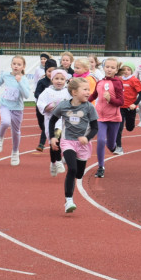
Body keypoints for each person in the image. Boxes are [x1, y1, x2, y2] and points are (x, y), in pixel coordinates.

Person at [49, 78, 98, 213]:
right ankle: (69, 200)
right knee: (72, 169)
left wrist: (87, 138)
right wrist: (53, 137)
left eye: (89, 89)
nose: (88, 92)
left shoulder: (89, 107)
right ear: (74, 92)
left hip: (83, 144)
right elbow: (52, 120)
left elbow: (95, 128)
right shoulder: (63, 106)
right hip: (68, 141)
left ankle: (64, 159)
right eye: (85, 90)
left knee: (79, 174)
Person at [0, 55, 32, 166]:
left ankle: (15, 152)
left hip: (17, 109)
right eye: (14, 64)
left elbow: (27, 95)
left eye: (19, 64)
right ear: (11, 65)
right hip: (5, 104)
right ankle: (0, 138)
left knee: (16, 132)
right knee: (5, 122)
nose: (16, 66)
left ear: (23, 67)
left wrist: (19, 82)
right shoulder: (5, 75)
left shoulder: (24, 80)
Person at [90, 57, 124, 177]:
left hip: (114, 118)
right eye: (107, 67)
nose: (109, 69)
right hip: (100, 117)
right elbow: (93, 95)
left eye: (112, 67)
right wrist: (83, 102)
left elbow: (121, 102)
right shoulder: (100, 82)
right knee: (100, 140)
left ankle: (114, 146)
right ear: (104, 67)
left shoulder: (118, 83)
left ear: (116, 69)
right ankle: (100, 167)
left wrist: (111, 99)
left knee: (110, 145)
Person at [37, 68, 71, 177]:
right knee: (53, 143)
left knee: (57, 139)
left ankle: (59, 161)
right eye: (56, 78)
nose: (59, 81)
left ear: (65, 80)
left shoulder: (67, 91)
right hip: (50, 120)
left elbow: (73, 102)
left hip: (62, 121)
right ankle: (53, 162)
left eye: (62, 79)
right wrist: (46, 107)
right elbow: (40, 103)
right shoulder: (47, 91)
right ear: (52, 80)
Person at [113, 61, 141, 155]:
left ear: (132, 71)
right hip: (120, 107)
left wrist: (135, 104)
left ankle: (136, 112)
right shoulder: (119, 79)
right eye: (124, 69)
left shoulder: (134, 80)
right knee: (119, 128)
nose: (126, 71)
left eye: (128, 69)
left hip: (131, 108)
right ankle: (119, 147)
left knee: (130, 128)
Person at [33, 58, 58, 152]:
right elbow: (36, 93)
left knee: (46, 125)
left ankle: (41, 144)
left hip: (52, 109)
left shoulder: (58, 82)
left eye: (53, 71)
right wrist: (43, 97)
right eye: (49, 71)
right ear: (45, 71)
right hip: (41, 107)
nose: (51, 73)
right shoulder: (42, 82)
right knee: (41, 125)